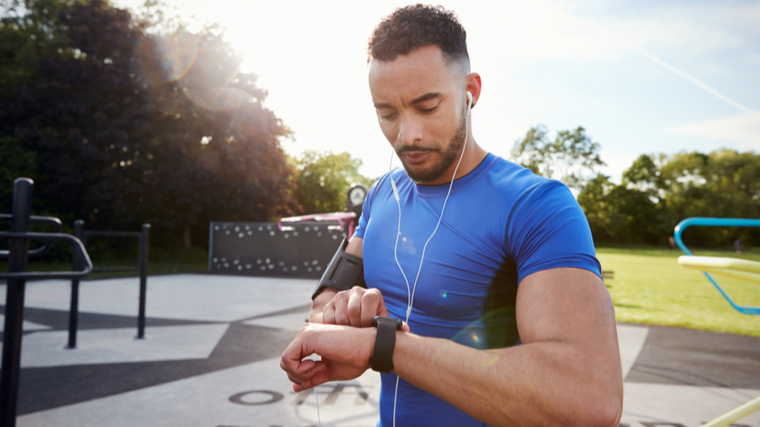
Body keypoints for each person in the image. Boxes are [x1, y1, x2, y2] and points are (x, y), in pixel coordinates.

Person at [281, 5, 623, 426]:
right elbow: (327, 296)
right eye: (387, 113)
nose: (407, 135)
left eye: (427, 107)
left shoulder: (538, 206)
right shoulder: (380, 196)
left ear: (471, 90)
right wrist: (340, 317)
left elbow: (590, 399)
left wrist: (382, 347)